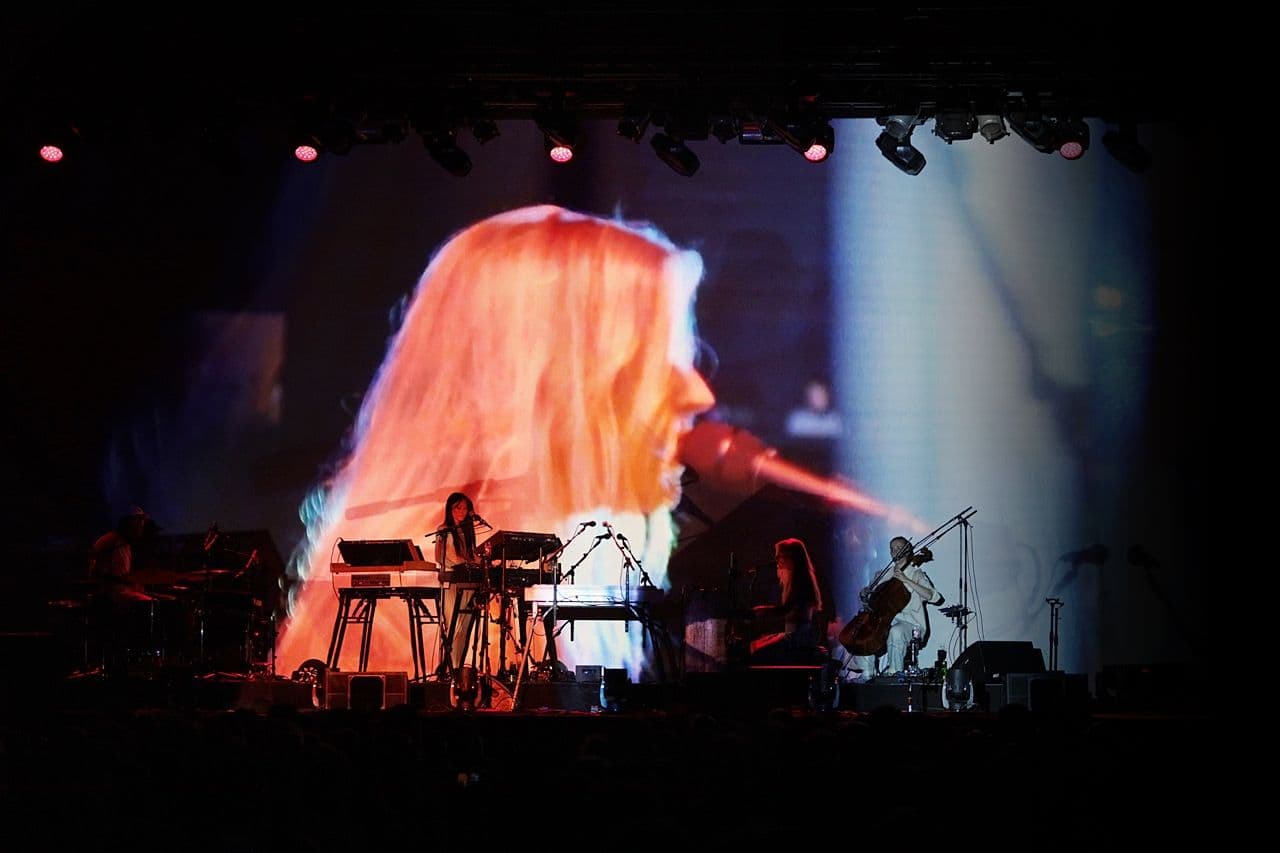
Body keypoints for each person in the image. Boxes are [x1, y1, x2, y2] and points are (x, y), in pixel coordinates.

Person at [275, 205, 716, 683]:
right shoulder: (414, 622)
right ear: (532, 380)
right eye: (652, 362)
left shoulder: (562, 587)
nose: (699, 395)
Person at [86, 506, 160, 677]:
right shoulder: (117, 544)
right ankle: (142, 653)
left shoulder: (114, 540)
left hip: (111, 592)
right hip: (111, 595)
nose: (142, 528)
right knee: (151, 604)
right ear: (130, 523)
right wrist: (135, 583)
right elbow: (112, 577)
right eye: (140, 523)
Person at [870, 535, 943, 678]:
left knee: (896, 632)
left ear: (907, 550)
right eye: (892, 549)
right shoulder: (884, 574)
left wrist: (906, 580)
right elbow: (872, 599)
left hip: (912, 624)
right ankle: (868, 674)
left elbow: (934, 597)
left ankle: (895, 673)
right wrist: (865, 593)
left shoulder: (916, 573)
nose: (895, 551)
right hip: (886, 621)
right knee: (865, 634)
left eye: (899, 548)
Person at [432, 491, 488, 676]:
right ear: (450, 509)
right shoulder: (444, 530)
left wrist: (485, 562)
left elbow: (471, 555)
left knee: (464, 628)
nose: (462, 511)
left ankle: (456, 668)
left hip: (467, 582)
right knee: (454, 626)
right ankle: (449, 668)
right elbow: (446, 556)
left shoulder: (467, 531)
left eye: (465, 508)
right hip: (452, 583)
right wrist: (468, 563)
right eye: (458, 508)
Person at [749, 538, 825, 665]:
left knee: (757, 651)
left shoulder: (800, 580)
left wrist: (760, 611)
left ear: (792, 557)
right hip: (795, 634)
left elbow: (785, 610)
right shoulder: (797, 578)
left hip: (799, 638)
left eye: (780, 555)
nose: (776, 559)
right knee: (754, 646)